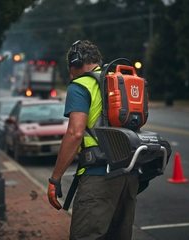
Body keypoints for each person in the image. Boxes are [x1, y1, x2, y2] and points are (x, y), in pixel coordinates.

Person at [48, 40, 139, 240]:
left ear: (76, 61)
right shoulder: (120, 82)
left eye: (70, 69)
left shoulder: (81, 85)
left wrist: (55, 178)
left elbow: (75, 133)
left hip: (99, 177)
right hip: (129, 176)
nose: (71, 74)